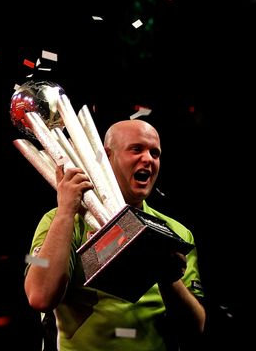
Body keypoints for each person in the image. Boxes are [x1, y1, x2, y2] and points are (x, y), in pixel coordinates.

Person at [24, 118, 206, 351]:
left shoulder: (177, 233)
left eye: (155, 153)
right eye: (136, 149)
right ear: (105, 157)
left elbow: (195, 330)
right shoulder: (60, 220)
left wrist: (168, 278)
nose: (148, 159)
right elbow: (39, 296)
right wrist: (66, 211)